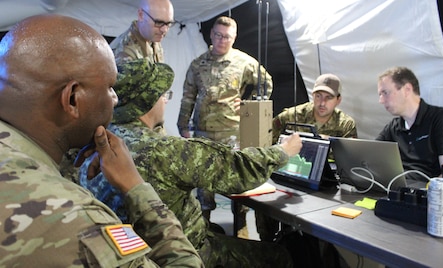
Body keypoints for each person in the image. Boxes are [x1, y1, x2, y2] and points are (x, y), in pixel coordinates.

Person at [0, 14, 203, 267]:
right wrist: (136, 187)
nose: (115, 99)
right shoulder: (79, 220)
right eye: (109, 87)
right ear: (73, 99)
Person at [78, 58, 302, 268]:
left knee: (216, 229)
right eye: (163, 95)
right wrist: (283, 151)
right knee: (279, 256)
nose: (165, 101)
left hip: (127, 252)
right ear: (149, 101)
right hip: (178, 252)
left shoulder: (100, 139)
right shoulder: (165, 150)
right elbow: (240, 170)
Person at [177, 16, 273, 238]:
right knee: (204, 183)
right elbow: (188, 96)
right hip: (203, 133)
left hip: (233, 133)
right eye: (218, 35)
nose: (222, 40)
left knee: (237, 180)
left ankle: (240, 224)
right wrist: (183, 125)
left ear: (234, 37)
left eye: (227, 37)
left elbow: (266, 82)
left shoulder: (244, 62)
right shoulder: (198, 64)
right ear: (211, 34)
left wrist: (250, 103)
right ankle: (206, 226)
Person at [257, 73, 358, 243]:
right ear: (312, 95)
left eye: (328, 97)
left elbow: (349, 162)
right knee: (264, 206)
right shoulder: (292, 116)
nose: (322, 102)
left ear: (338, 100)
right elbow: (266, 137)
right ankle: (267, 246)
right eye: (318, 96)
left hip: (324, 184)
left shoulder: (345, 125)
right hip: (290, 175)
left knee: (322, 228)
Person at [376, 66, 443, 179]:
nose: (381, 100)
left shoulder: (441, 119)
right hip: (397, 189)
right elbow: (371, 156)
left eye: (385, 93)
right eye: (380, 94)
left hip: (426, 192)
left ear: (407, 90)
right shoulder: (393, 127)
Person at [110, 0, 175, 66]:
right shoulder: (123, 51)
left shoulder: (153, 38)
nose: (164, 30)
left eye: (169, 23)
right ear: (141, 15)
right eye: (159, 22)